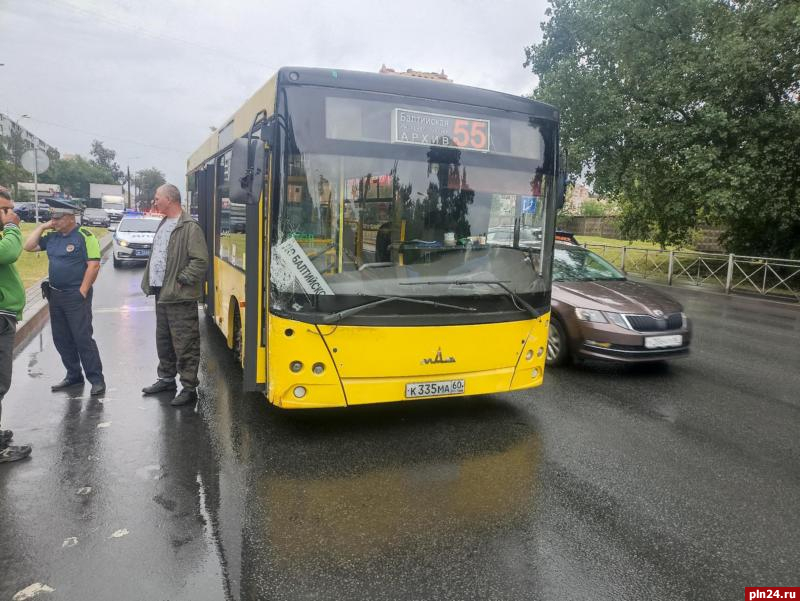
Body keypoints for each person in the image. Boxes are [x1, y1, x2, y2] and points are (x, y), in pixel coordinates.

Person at [23, 198, 105, 396]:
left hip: (75, 296)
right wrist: (42, 227)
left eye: (57, 218)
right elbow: (29, 246)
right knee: (61, 338)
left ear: (70, 217)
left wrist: (83, 291)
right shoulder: (53, 237)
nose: (54, 221)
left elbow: (93, 265)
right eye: (52, 218)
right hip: (56, 295)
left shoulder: (85, 237)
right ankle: (73, 375)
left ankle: (96, 379)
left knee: (82, 338)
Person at [140, 184, 208, 407]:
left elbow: (200, 261)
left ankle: (189, 388)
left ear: (170, 199)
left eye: (157, 197)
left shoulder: (190, 227)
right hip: (162, 293)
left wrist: (181, 281)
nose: (154, 201)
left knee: (185, 343)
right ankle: (166, 379)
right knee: (164, 340)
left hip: (179, 295)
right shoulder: (164, 223)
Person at [0, 187, 32, 463]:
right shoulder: (7, 235)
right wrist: (11, 228)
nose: (11, 214)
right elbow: (8, 253)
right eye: (5, 210)